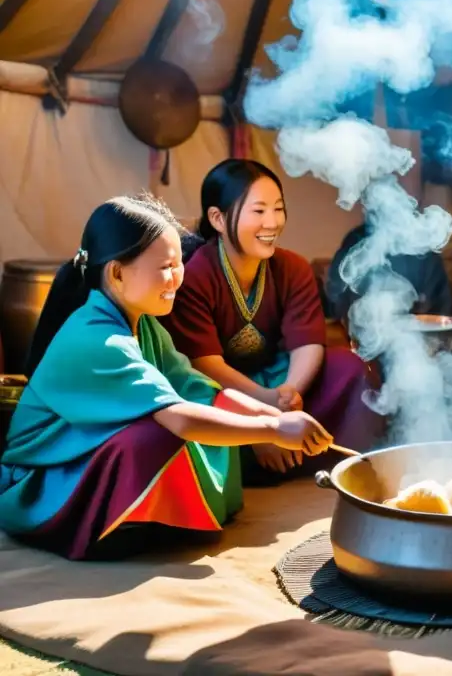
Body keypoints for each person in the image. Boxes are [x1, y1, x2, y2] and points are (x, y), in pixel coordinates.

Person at [0, 195, 332, 560]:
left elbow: (201, 390)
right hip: (44, 480)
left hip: (82, 455)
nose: (178, 277)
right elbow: (181, 417)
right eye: (166, 266)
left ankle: (150, 517)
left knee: (198, 419)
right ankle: (109, 524)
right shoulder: (98, 338)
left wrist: (276, 418)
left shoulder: (144, 324)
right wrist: (272, 431)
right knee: (157, 434)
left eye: (179, 265)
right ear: (117, 273)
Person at [161, 159, 385, 485]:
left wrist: (290, 395)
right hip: (224, 392)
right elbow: (204, 365)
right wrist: (265, 412)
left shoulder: (292, 267)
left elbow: (307, 344)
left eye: (278, 209)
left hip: (280, 385)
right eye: (259, 211)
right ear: (218, 219)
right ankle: (263, 449)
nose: (272, 222)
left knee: (349, 367)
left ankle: (339, 462)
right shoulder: (195, 275)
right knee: (197, 399)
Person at [325, 222, 452, 324]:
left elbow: (441, 312)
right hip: (363, 344)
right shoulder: (356, 240)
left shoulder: (425, 249)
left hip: (418, 342)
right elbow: (338, 302)